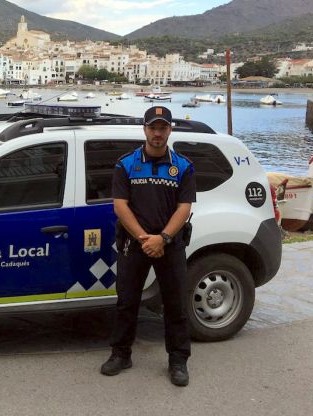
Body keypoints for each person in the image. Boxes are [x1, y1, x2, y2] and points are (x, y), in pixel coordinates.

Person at [101, 106, 196, 386]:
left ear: (170, 130)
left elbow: (184, 207)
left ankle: (178, 360)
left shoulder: (184, 166)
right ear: (144, 129)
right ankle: (121, 354)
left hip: (170, 244)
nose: (157, 133)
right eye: (153, 127)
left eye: (162, 127)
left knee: (176, 304)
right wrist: (145, 238)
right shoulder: (126, 164)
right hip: (135, 243)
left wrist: (162, 239)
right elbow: (120, 205)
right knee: (126, 302)